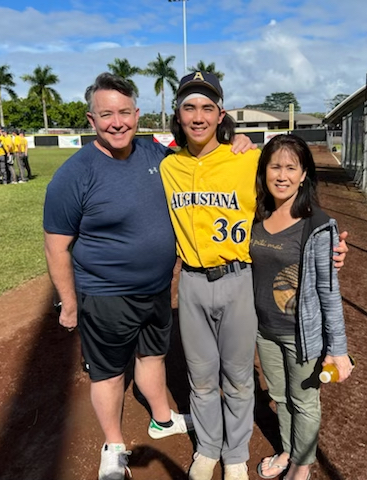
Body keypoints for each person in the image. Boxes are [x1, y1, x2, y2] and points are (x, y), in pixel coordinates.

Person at [43, 72, 256, 480]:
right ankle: (113, 446)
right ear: (91, 120)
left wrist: (238, 142)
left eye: (125, 112)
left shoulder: (157, 155)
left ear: (137, 115)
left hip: (158, 289)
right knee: (107, 373)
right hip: (106, 295)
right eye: (107, 115)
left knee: (152, 356)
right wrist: (69, 303)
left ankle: (162, 417)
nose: (117, 122)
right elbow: (56, 245)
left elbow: (209, 160)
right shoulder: (74, 174)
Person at [160, 73, 349, 480]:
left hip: (237, 279)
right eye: (189, 107)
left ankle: (234, 454)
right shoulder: (167, 166)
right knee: (201, 376)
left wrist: (330, 244)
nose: (198, 116)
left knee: (241, 378)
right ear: (178, 113)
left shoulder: (248, 160)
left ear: (220, 114)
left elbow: (290, 191)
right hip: (191, 282)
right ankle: (208, 448)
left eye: (207, 108)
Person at [250, 134, 353, 480]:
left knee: (304, 401)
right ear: (263, 171)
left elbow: (328, 291)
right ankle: (288, 450)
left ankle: (303, 464)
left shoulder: (317, 225)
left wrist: (338, 350)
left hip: (301, 336)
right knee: (279, 396)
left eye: (291, 167)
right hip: (264, 331)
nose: (282, 175)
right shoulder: (257, 216)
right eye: (274, 166)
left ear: (304, 173)